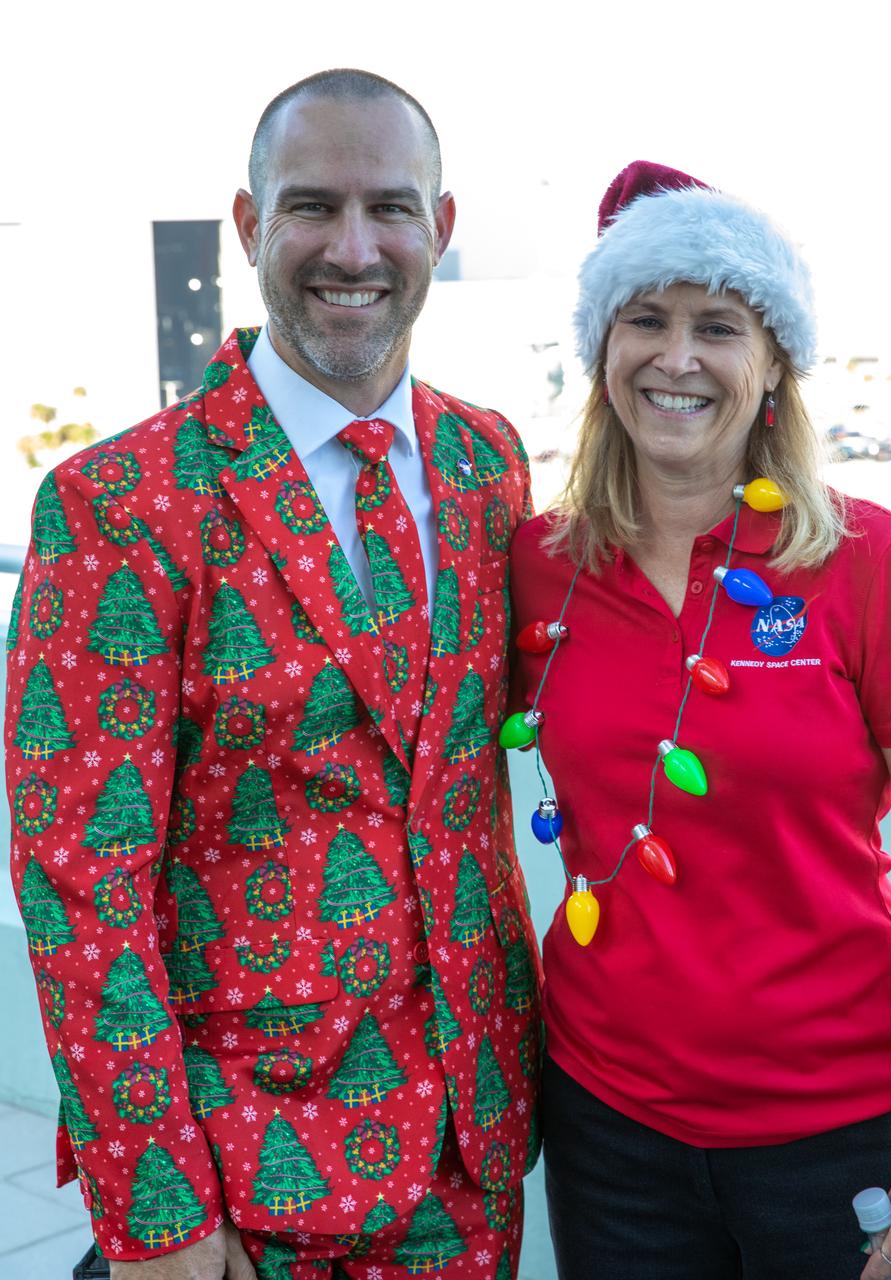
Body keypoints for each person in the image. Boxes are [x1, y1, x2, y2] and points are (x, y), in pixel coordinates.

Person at [5, 69, 540, 1280]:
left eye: (391, 209)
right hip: (245, 1177)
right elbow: (81, 892)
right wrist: (160, 1213)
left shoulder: (487, 462)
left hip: (476, 1150)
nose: (353, 248)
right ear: (249, 228)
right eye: (312, 207)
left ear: (439, 231)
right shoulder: (115, 504)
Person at [510, 160, 891, 1280]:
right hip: (610, 1127)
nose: (678, 356)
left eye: (720, 325)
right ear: (603, 353)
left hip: (845, 1125)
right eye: (645, 319)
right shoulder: (539, 569)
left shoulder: (868, 561)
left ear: (775, 362)